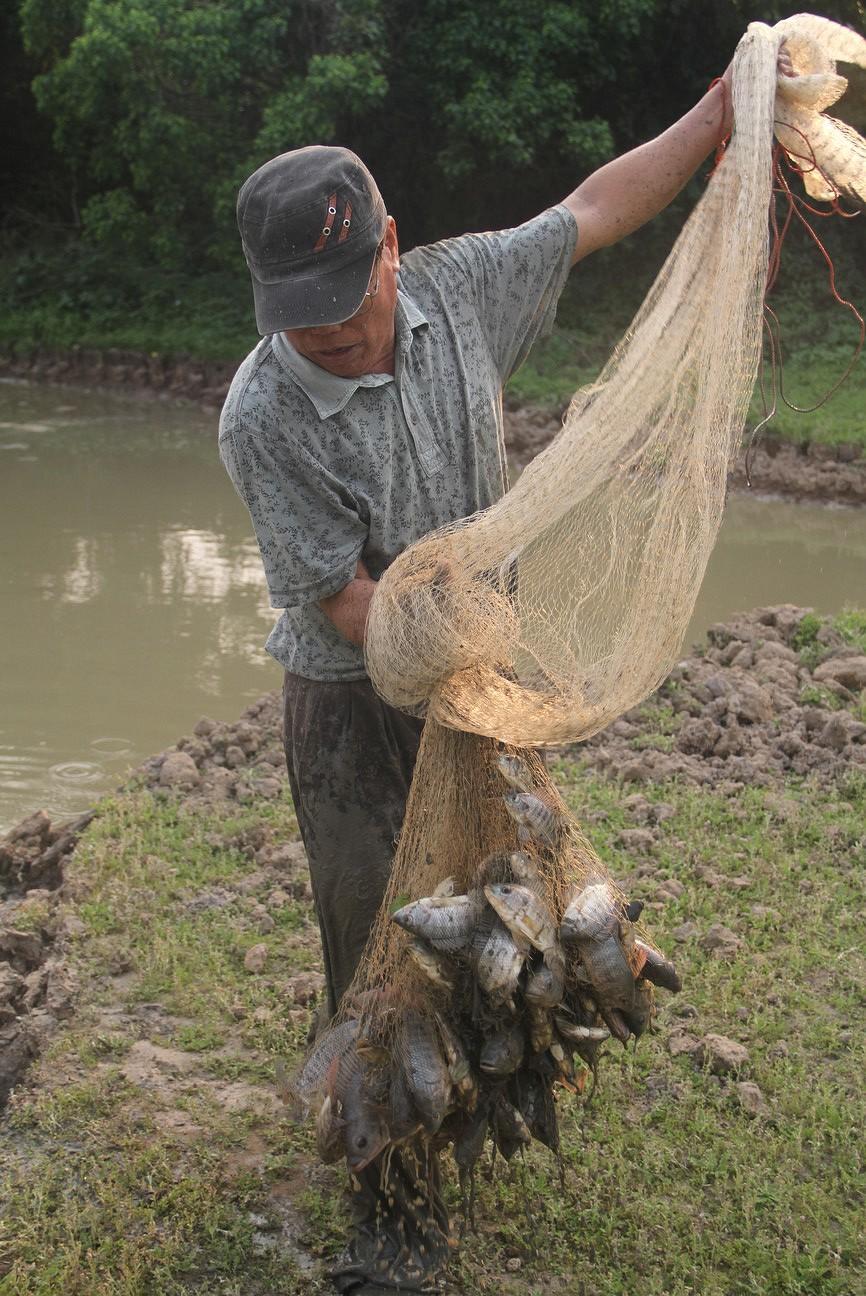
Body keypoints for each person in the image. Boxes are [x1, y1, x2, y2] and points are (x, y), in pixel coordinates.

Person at [220, 49, 792, 1295]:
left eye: (341, 290)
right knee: (375, 941)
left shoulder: (460, 288)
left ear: (388, 246)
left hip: (473, 683)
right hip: (354, 698)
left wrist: (711, 118)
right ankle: (388, 1214)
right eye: (294, 306)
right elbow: (342, 593)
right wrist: (455, 679)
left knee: (496, 917)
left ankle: (464, 1116)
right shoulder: (259, 412)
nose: (323, 325)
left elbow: (587, 211)